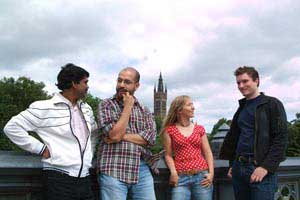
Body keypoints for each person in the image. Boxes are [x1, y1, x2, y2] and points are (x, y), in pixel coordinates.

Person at [4, 63, 98, 200]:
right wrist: (41, 149)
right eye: (85, 82)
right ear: (74, 84)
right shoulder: (44, 108)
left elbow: (94, 134)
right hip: (58, 179)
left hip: (85, 178)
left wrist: (90, 153)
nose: (87, 86)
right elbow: (12, 127)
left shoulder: (86, 108)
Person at [219, 66, 288, 200]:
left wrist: (265, 167)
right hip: (239, 169)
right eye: (238, 83)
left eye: (245, 81)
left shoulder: (272, 104)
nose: (241, 85)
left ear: (256, 80)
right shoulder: (242, 108)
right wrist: (233, 163)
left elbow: (281, 138)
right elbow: (236, 138)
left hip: (259, 169)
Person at [97, 67, 159, 200]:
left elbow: (151, 138)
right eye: (119, 80)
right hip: (113, 166)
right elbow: (114, 135)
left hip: (141, 168)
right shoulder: (106, 105)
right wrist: (127, 107)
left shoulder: (145, 109)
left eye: (127, 82)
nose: (121, 85)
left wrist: (121, 136)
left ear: (136, 86)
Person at [161, 95, 214, 200]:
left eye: (192, 104)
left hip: (201, 177)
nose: (193, 107)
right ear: (179, 110)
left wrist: (211, 173)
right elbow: (168, 155)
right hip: (180, 179)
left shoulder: (199, 129)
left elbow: (208, 152)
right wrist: (173, 173)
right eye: (189, 105)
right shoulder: (170, 130)